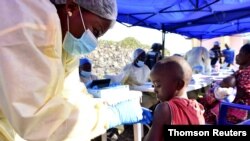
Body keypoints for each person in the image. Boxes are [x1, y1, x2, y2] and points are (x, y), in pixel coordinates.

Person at [0, 0, 152, 140]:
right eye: (96, 31)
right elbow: (38, 118)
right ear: (71, 7)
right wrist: (110, 116)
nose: (94, 42)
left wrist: (101, 109)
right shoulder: (32, 20)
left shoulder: (64, 41)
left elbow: (72, 95)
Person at [144, 56, 205, 141]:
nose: (154, 90)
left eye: (158, 85)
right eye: (153, 86)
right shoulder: (198, 108)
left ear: (179, 85)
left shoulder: (164, 109)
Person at [199, 43, 250, 124]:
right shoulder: (243, 71)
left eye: (240, 53)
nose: (237, 56)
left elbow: (235, 95)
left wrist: (214, 93)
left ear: (248, 55)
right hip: (235, 106)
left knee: (199, 110)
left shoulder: (247, 74)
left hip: (236, 111)